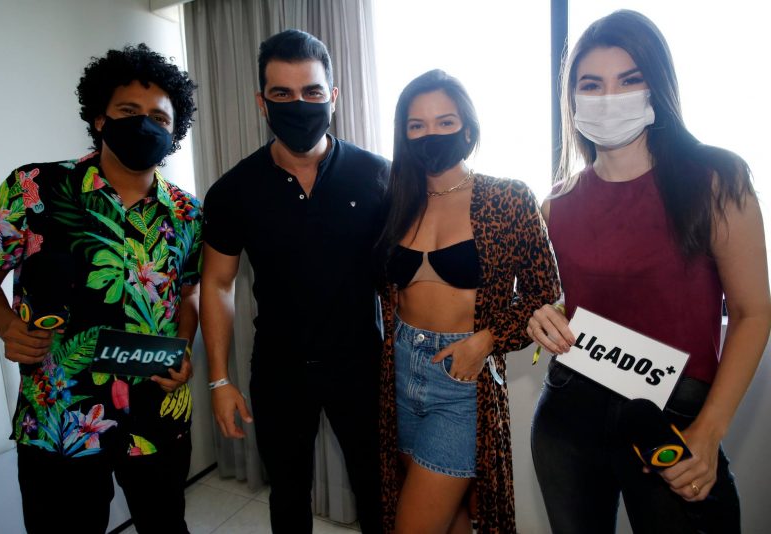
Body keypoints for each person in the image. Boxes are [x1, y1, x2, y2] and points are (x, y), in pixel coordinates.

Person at [527, 10, 771, 534]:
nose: (609, 97)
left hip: (671, 419)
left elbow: (752, 312)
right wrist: (541, 315)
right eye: (592, 85)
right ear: (572, 99)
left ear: (656, 86)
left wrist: (709, 431)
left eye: (629, 79)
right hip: (570, 413)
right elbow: (563, 302)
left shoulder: (717, 180)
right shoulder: (556, 204)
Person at [0, 44, 201, 534]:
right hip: (59, 418)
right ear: (100, 118)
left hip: (156, 415)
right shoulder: (33, 188)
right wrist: (7, 326)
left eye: (159, 118)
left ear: (174, 131)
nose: (144, 125)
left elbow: (188, 295)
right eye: (128, 111)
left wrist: (184, 346)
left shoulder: (188, 213)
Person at [199, 29, 387, 533]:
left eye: (311, 92)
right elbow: (217, 284)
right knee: (287, 498)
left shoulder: (378, 176)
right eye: (282, 93)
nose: (298, 105)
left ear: (333, 97)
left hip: (362, 366)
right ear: (261, 102)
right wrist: (219, 380)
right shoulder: (233, 190)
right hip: (279, 368)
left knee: (377, 491)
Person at [377, 69, 562, 534]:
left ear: (468, 128)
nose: (431, 134)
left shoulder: (508, 197)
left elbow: (545, 294)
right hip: (401, 370)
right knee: (450, 517)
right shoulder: (396, 200)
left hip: (461, 380)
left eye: (445, 122)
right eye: (416, 125)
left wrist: (487, 340)